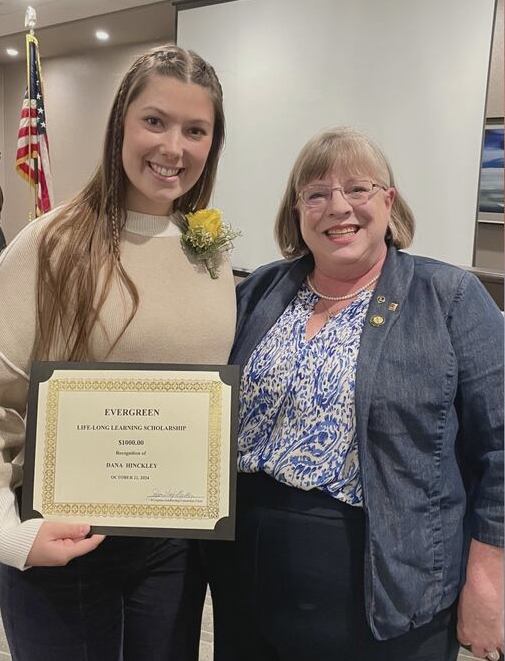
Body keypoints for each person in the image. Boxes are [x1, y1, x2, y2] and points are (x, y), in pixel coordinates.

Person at [205, 127, 504, 661]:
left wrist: (488, 581)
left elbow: (501, 450)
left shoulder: (450, 298)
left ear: (388, 201)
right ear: (297, 212)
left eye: (358, 189)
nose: (337, 207)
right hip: (246, 572)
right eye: (316, 193)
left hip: (388, 583)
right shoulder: (259, 292)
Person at [0, 44, 235, 660]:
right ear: (120, 125)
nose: (173, 148)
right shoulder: (49, 244)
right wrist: (10, 534)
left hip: (172, 549)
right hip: (64, 543)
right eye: (154, 121)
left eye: (195, 130)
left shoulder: (205, 252)